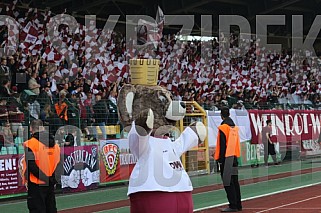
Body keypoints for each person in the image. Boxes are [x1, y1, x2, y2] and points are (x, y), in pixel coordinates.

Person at [22, 119, 60, 213]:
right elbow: (59, 163)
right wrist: (51, 179)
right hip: (50, 182)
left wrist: (45, 178)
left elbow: (32, 166)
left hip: (36, 183)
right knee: (51, 209)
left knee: (37, 209)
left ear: (31, 129)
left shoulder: (30, 144)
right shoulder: (55, 145)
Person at [215, 107, 242, 212]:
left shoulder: (223, 128)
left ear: (221, 115)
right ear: (229, 114)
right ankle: (238, 204)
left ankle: (233, 205)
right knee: (235, 182)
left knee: (228, 182)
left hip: (226, 159)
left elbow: (222, 146)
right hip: (234, 157)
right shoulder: (234, 127)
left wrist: (220, 160)